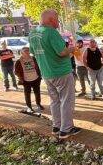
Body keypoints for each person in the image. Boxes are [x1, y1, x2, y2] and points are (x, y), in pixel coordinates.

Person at [28, 9, 79, 139]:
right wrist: (71, 49)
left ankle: (56, 126)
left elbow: (33, 52)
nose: (58, 22)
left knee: (55, 100)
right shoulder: (51, 32)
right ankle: (66, 129)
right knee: (66, 100)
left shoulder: (33, 33)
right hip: (61, 72)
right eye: (57, 18)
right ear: (51, 20)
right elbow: (61, 52)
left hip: (46, 72)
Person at [14, 46, 43, 112]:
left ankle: (38, 104)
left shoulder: (33, 58)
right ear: (22, 53)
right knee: (27, 94)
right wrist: (21, 78)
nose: (27, 52)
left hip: (36, 78)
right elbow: (16, 71)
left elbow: (38, 66)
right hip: (26, 80)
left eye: (28, 50)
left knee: (37, 92)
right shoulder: (18, 61)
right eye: (25, 51)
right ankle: (29, 107)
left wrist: (39, 76)